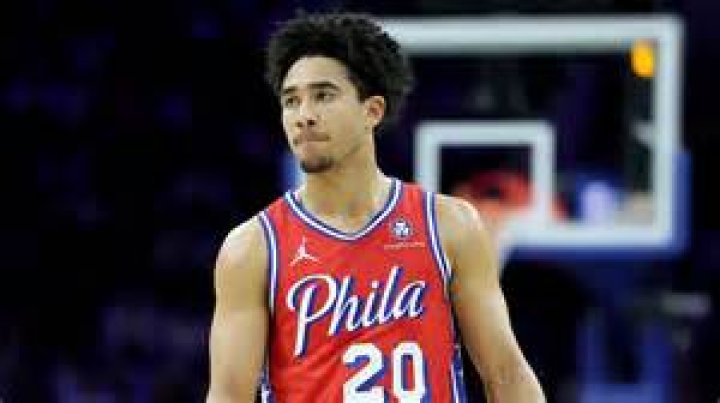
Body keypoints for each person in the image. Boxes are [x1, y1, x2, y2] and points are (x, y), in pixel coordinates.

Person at [206, 11, 545, 403]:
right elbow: (228, 395)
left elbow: (506, 374)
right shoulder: (253, 248)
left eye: (323, 95)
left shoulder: (448, 225)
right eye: (291, 101)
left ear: (373, 111)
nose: (304, 116)